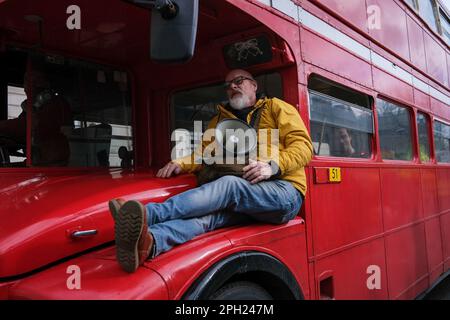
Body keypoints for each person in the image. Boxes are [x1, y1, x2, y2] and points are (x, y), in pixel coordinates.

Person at [109, 69, 313, 273]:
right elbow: (204, 154)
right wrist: (180, 163)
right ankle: (151, 242)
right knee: (210, 218)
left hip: (284, 191)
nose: (232, 86)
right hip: (246, 195)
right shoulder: (219, 121)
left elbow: (304, 147)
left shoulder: (277, 108)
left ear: (254, 85)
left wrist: (272, 166)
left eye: (238, 81)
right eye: (228, 85)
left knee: (229, 185)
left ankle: (149, 214)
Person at [0, 70, 72, 166]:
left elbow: (27, 126)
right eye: (26, 81)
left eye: (29, 81)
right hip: (39, 160)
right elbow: (23, 134)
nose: (25, 86)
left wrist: (2, 127)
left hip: (50, 164)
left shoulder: (54, 104)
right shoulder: (34, 106)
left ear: (43, 84)